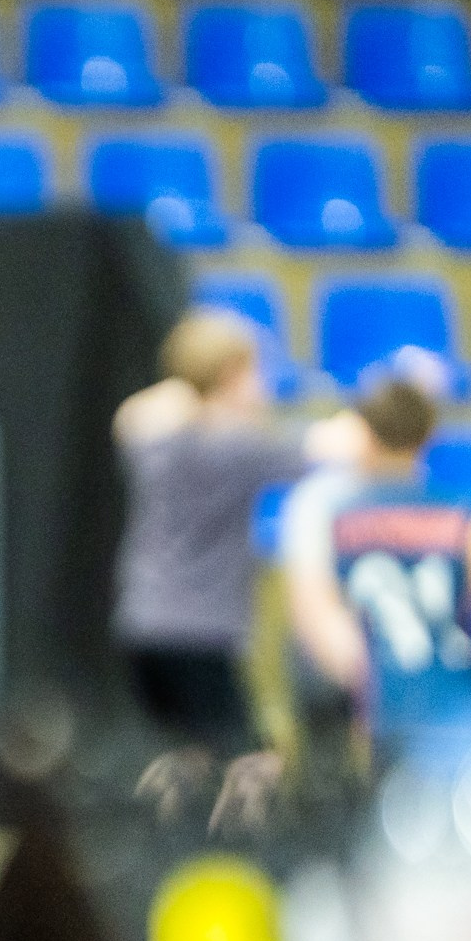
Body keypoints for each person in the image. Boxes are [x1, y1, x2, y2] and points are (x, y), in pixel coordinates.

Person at [110, 313, 320, 759]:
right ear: (230, 375)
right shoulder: (240, 447)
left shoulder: (152, 439)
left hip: (144, 620)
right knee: (241, 764)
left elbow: (136, 417)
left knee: (175, 763)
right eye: (254, 371)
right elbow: (322, 453)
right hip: (201, 633)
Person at [284, 377, 471, 752]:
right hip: (448, 697)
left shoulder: (325, 509)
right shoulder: (460, 513)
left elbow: (316, 618)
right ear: (427, 435)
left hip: (371, 700)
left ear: (364, 430)